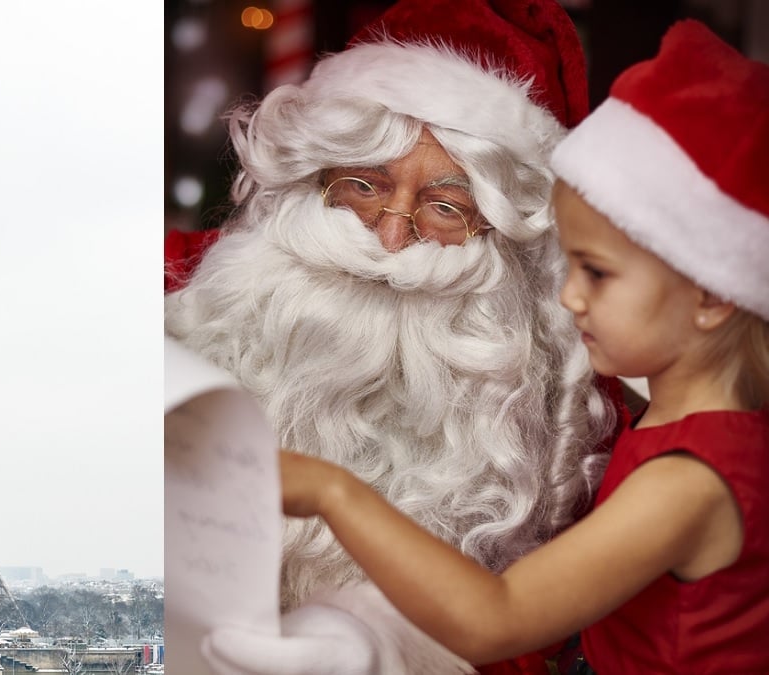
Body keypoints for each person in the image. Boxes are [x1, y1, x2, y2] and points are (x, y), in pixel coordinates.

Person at [204, 19, 769, 674]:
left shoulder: (689, 477)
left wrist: (333, 492)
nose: (567, 296)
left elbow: (497, 617)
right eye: (363, 185)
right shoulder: (686, 437)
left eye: (596, 273)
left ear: (712, 296)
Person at [165, 0, 624, 672]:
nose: (390, 237)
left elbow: (530, 633)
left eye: (445, 208)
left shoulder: (572, 419)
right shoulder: (183, 288)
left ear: (509, 237)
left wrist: (384, 638)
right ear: (310, 180)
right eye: (363, 185)